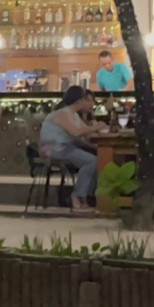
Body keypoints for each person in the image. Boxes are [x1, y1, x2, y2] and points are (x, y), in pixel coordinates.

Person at [38, 85, 106, 214]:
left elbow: (85, 132)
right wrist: (97, 127)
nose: (88, 103)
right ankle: (77, 195)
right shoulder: (63, 114)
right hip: (55, 149)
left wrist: (96, 131)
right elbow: (76, 132)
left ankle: (86, 197)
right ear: (78, 101)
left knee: (97, 158)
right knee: (91, 161)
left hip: (66, 148)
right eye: (85, 99)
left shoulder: (74, 115)